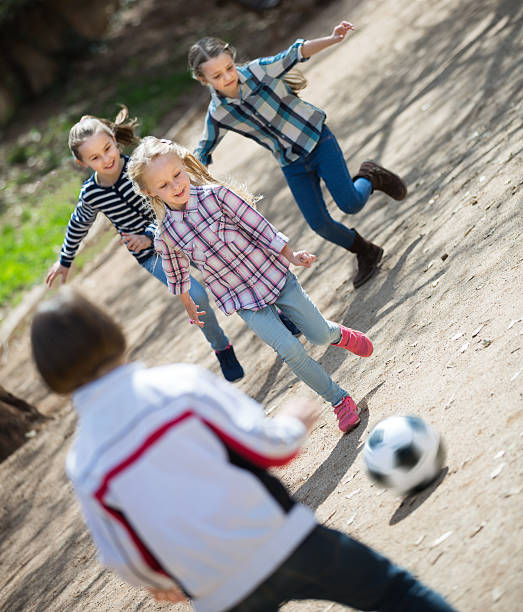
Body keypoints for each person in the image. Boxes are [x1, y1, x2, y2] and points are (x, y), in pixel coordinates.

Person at [30, 287, 458, 612]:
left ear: (53, 378)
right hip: (282, 541)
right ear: (111, 332)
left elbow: (120, 552)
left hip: (219, 594)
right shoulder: (179, 386)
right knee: (394, 592)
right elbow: (268, 449)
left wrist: (163, 581)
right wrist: (292, 424)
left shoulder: (83, 464)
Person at [128, 136, 376, 432]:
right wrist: (189, 306)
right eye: (163, 185)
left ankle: (336, 334)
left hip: (273, 275)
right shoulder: (166, 233)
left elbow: (259, 227)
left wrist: (291, 254)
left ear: (183, 165)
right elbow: (177, 274)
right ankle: (339, 400)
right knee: (290, 350)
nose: (175, 186)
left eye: (176, 175)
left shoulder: (217, 196)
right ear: (149, 191)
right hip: (240, 298)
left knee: (319, 335)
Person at [188, 21, 408, 289]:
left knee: (350, 203)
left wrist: (332, 38)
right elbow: (204, 148)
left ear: (233, 61)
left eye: (229, 68)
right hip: (291, 163)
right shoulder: (218, 113)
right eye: (217, 76)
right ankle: (366, 251)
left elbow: (294, 53)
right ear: (203, 80)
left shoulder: (258, 71)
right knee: (319, 224)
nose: (227, 77)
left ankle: (371, 176)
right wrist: (180, 177)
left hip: (317, 140)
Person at [45, 107, 244, 382]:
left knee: (229, 270)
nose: (106, 158)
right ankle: (221, 346)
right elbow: (78, 223)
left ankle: (273, 310)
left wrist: (149, 234)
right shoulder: (91, 194)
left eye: (107, 148)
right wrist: (65, 260)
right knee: (194, 295)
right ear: (82, 163)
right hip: (151, 254)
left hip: (183, 230)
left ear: (115, 140)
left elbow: (166, 200)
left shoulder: (139, 168)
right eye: (95, 157)